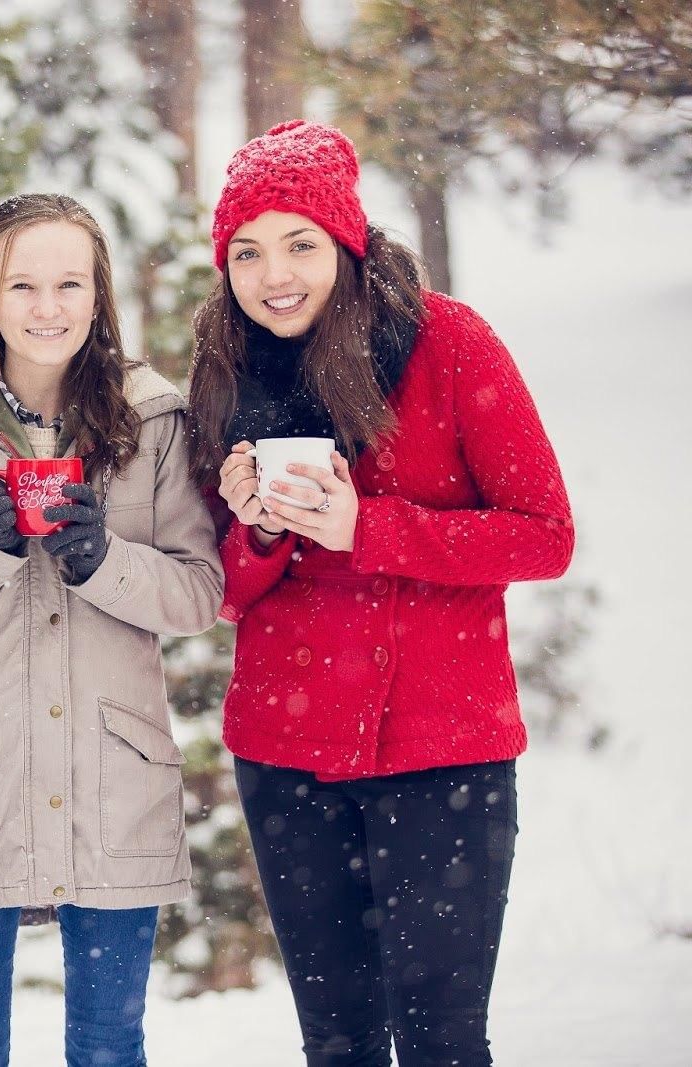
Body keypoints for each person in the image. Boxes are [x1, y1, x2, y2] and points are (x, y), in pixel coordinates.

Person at [188, 120, 575, 1067]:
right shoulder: (226, 370)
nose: (273, 274)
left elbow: (544, 535)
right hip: (288, 756)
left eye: (299, 243)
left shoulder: (449, 342)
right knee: (339, 1042)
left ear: (346, 243)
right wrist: (261, 528)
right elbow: (224, 587)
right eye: (247, 251)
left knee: (442, 1042)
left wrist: (370, 528)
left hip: (443, 752)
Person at [0, 192, 225, 1066]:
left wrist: (101, 560)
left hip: (115, 774)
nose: (47, 307)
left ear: (98, 297)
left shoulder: (153, 422)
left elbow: (197, 596)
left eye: (69, 283)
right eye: (23, 284)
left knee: (110, 1047)